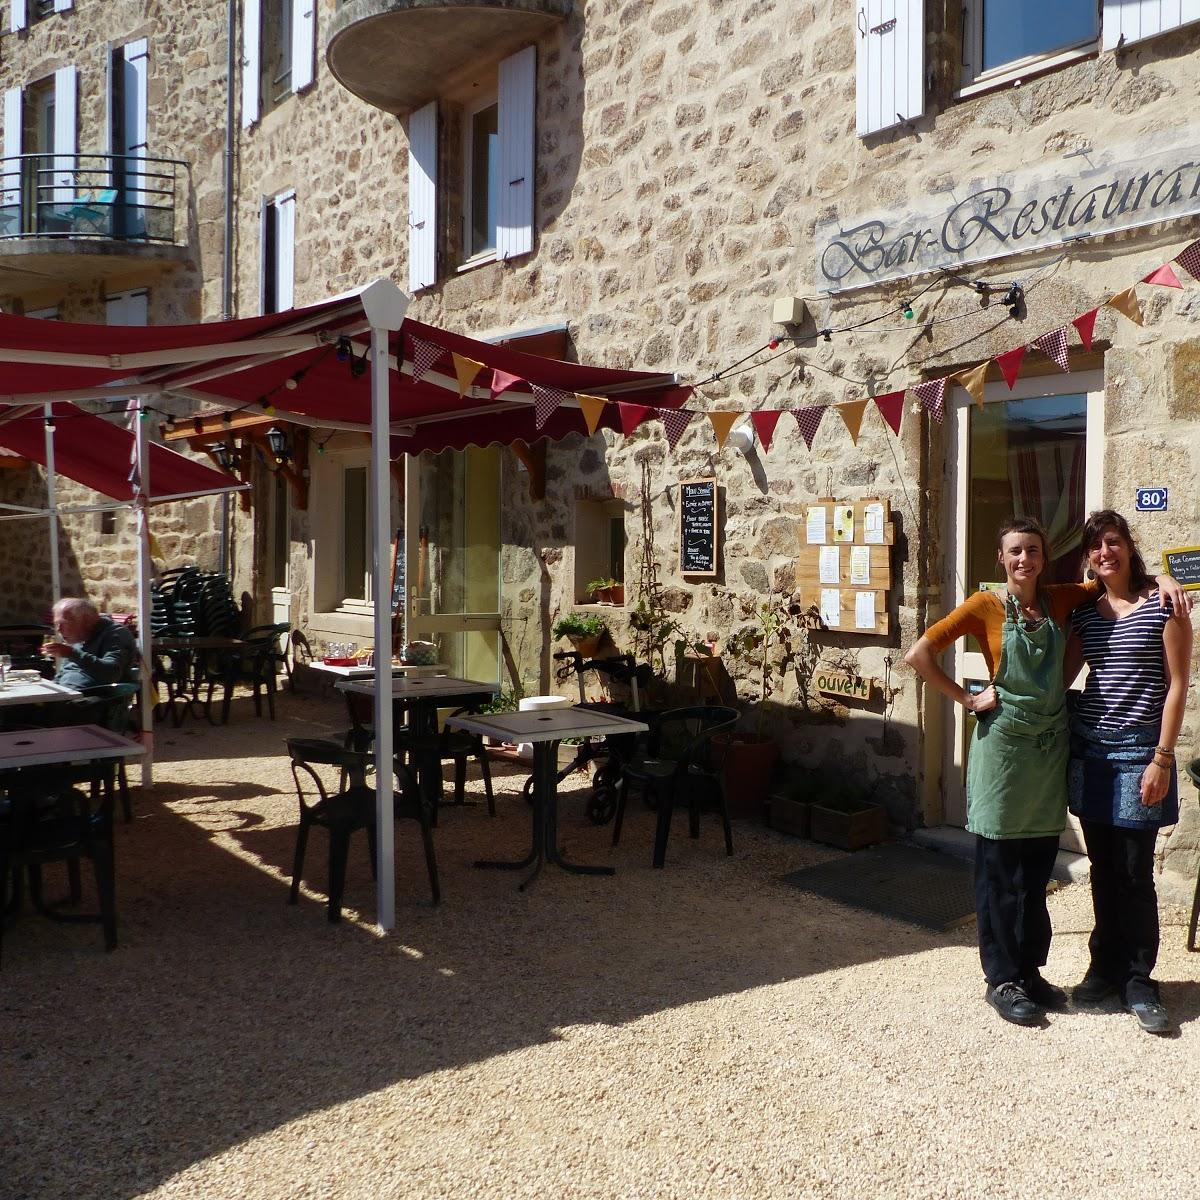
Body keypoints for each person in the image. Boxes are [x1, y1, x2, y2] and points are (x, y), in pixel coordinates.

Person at [904, 518, 1186, 1028]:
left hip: (1068, 753)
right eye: (1015, 551)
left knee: (1052, 872)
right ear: (1001, 557)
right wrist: (969, 697)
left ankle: (1058, 975)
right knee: (1006, 870)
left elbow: (1120, 590)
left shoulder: (1065, 601)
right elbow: (920, 654)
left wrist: (1164, 579)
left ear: (1045, 557)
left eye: (1033, 550)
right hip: (1017, 751)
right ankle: (1007, 979)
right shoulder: (994, 606)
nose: (1024, 560)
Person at [1064, 510, 1193, 1035]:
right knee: (1101, 867)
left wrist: (1162, 758)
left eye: (1112, 543)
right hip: (1093, 754)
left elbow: (1179, 685)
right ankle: (1104, 966)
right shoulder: (1085, 613)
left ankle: (1140, 979)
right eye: (1095, 547)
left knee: (1136, 873)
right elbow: (1064, 676)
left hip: (1142, 755)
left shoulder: (1165, 605)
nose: (1104, 553)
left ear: (1128, 546)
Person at [43, 598, 136, 690]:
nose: (58, 629)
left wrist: (72, 653)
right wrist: (52, 689)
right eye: (56, 624)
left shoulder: (115, 634)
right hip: (66, 694)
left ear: (86, 620)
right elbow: (65, 672)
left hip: (94, 700)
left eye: (63, 623)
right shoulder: (79, 636)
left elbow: (112, 673)